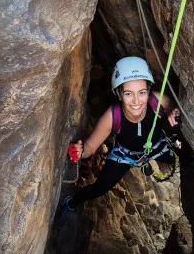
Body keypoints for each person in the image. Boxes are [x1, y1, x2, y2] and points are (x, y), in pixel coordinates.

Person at [57, 57, 181, 226]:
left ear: (148, 90)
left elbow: (173, 107)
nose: (137, 101)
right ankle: (71, 203)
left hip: (157, 147)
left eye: (142, 92)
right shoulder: (112, 116)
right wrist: (79, 151)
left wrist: (173, 113)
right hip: (125, 156)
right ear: (119, 93)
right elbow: (90, 147)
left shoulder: (156, 101)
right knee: (100, 188)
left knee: (190, 159)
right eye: (129, 94)